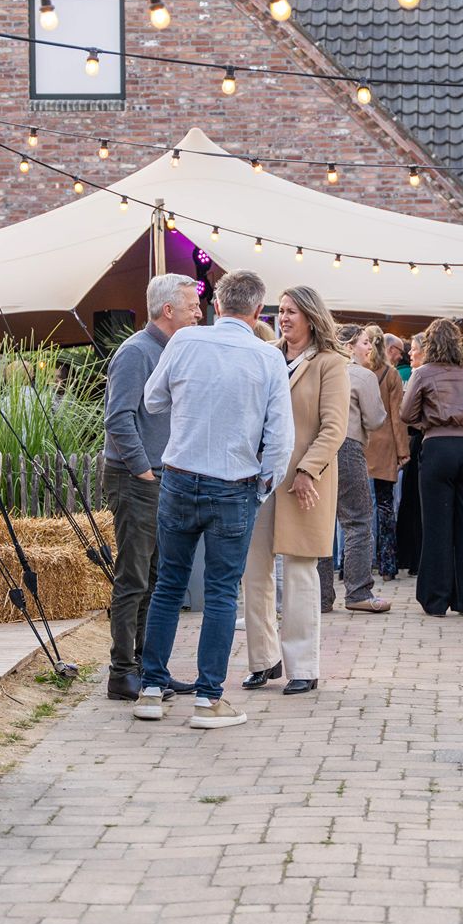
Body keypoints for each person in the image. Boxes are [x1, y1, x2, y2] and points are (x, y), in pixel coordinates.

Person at [132, 269, 292, 729]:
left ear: (216, 305)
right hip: (234, 482)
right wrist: (263, 486)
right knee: (222, 592)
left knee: (168, 584)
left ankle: (152, 689)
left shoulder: (184, 341)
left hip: (180, 477)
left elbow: (152, 400)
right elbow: (280, 439)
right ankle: (208, 698)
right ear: (258, 311)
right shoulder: (268, 357)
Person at [241, 286, 349, 694]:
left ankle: (303, 666)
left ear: (311, 316)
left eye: (292, 311)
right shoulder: (266, 355)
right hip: (260, 477)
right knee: (254, 571)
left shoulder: (330, 363)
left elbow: (334, 427)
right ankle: (263, 660)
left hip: (305, 481)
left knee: (301, 571)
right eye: (281, 311)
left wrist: (307, 470)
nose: (284, 318)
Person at [102, 273, 203, 701]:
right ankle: (122, 671)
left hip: (161, 478)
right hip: (135, 479)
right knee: (134, 576)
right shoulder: (136, 352)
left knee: (157, 576)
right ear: (168, 310)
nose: (199, 313)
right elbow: (118, 417)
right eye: (192, 306)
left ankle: (149, 669)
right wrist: (144, 470)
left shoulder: (172, 351)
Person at [401, 319, 463, 615]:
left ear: (429, 345)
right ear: (458, 344)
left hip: (437, 448)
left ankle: (436, 600)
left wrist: (428, 423)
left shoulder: (422, 373)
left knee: (436, 526)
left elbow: (406, 413)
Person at [331, 324, 390, 613]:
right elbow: (376, 419)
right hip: (347, 446)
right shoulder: (362, 375)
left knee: (322, 523)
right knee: (358, 521)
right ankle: (358, 593)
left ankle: (320, 596)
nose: (370, 348)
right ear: (349, 346)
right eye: (365, 342)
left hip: (314, 448)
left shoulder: (319, 367)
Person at [360, 323, 407, 579]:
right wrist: (402, 450)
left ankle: (357, 564)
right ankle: (387, 565)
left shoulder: (357, 371)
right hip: (386, 445)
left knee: (361, 508)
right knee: (386, 506)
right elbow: (397, 417)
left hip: (361, 442)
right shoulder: (391, 375)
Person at [394, 335, 428, 575]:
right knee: (413, 502)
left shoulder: (421, 375)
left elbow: (406, 413)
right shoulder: (417, 374)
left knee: (416, 502)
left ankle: (416, 557)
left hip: (420, 442)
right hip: (416, 443)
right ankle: (413, 557)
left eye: (414, 349)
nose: (410, 353)